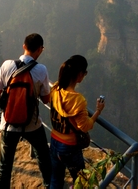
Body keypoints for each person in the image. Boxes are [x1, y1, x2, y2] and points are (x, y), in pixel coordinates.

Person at [0, 33, 52, 189]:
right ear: (40, 50)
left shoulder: (7, 65)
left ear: (24, 46)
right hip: (32, 124)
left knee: (4, 166)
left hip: (9, 123)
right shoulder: (41, 70)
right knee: (44, 157)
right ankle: (49, 185)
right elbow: (46, 100)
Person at [48, 55, 105, 189]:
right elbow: (84, 126)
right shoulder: (78, 100)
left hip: (55, 141)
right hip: (69, 147)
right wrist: (98, 111)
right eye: (85, 73)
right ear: (80, 74)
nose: (84, 76)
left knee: (55, 180)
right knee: (82, 182)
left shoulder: (55, 88)